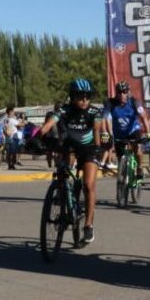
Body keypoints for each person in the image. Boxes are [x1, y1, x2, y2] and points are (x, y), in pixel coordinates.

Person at [39, 78, 105, 245]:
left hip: (89, 147)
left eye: (87, 97)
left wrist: (98, 149)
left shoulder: (94, 113)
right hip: (70, 145)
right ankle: (63, 198)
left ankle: (88, 226)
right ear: (72, 96)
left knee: (89, 184)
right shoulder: (64, 110)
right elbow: (47, 126)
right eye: (80, 96)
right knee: (62, 171)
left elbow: (97, 132)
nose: (84, 100)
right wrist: (35, 139)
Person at [103, 81, 150, 181]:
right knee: (121, 158)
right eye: (119, 92)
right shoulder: (110, 103)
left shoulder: (134, 102)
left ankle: (139, 168)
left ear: (128, 92)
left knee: (137, 148)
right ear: (116, 93)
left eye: (124, 92)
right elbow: (105, 119)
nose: (122, 95)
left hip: (133, 130)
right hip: (118, 133)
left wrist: (148, 133)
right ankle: (122, 177)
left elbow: (143, 117)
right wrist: (107, 133)